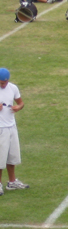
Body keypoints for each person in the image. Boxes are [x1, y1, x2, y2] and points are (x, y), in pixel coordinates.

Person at [0, 68, 28, 196]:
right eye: (1, 83)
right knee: (0, 158)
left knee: (12, 156)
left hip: (11, 126)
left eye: (5, 82)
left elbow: (21, 102)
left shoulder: (12, 88)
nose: (4, 84)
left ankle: (12, 182)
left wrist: (18, 107)